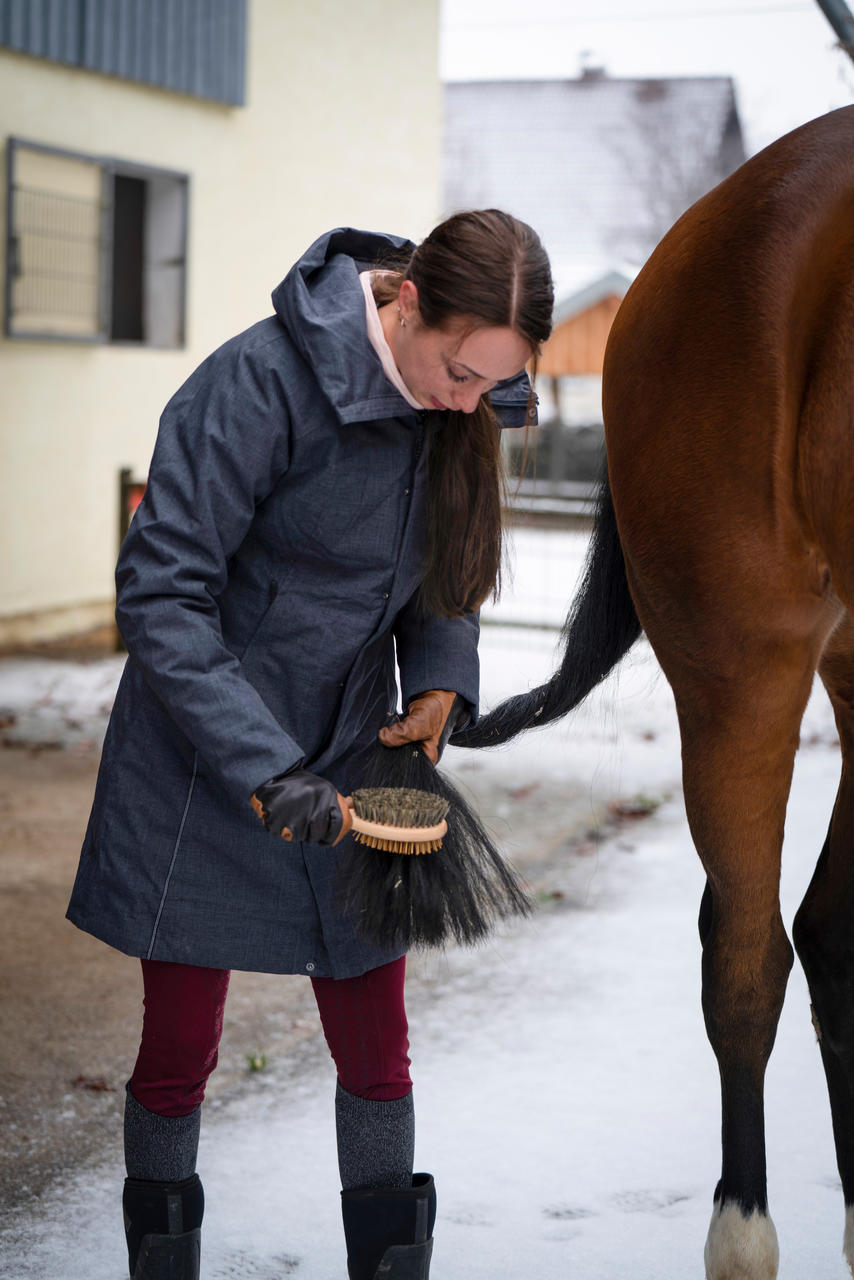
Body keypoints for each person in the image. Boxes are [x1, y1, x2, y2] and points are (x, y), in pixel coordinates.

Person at [67, 208, 554, 1280]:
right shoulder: (254, 386)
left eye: (490, 383)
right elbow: (161, 593)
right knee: (179, 1048)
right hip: (204, 757)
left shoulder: (455, 397)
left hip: (353, 754)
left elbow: (445, 570)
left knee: (377, 1045)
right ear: (408, 301)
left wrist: (437, 677)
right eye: (459, 371)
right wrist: (259, 763)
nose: (468, 399)